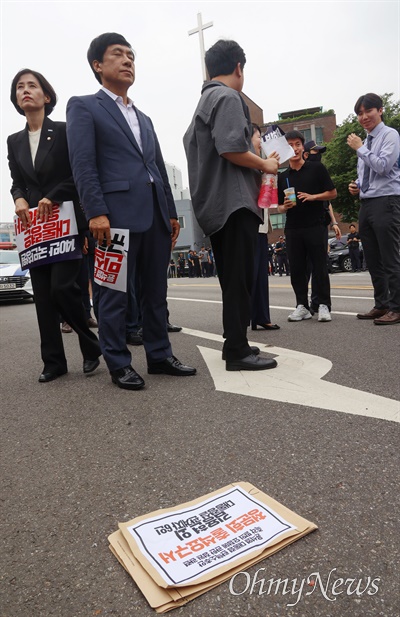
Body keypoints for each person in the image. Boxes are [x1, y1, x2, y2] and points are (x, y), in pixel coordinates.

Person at [66, 33, 196, 389]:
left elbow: (154, 168)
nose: (127, 61)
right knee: (112, 293)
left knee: (156, 291)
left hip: (154, 216)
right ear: (97, 65)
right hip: (112, 218)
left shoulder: (145, 118)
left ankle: (159, 354)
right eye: (118, 54)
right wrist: (95, 212)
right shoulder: (84, 106)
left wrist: (170, 213)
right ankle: (118, 363)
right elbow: (83, 163)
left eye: (131, 56)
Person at [184, 39, 279, 370]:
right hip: (233, 202)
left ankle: (235, 344)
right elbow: (230, 148)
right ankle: (237, 351)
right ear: (239, 67)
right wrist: (265, 165)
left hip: (215, 204)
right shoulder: (227, 97)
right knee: (239, 279)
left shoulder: (204, 100)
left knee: (233, 279)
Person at [7, 69, 101, 383]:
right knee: (43, 297)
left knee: (63, 288)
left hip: (63, 222)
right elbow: (17, 182)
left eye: (32, 85)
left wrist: (52, 195)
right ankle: (54, 362)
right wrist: (19, 198)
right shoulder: (14, 141)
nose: (25, 90)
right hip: (33, 230)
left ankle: (90, 347)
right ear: (16, 98)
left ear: (46, 96)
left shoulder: (62, 131)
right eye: (20, 87)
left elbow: (78, 175)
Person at [347, 93, 400, 325]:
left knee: (390, 257)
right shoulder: (366, 142)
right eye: (359, 113)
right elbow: (366, 174)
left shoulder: (390, 135)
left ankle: (397, 307)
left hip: (387, 201)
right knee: (372, 258)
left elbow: (383, 166)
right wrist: (356, 186)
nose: (364, 117)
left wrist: (360, 149)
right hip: (366, 204)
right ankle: (382, 304)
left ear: (380, 110)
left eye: (368, 111)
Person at [277, 130, 337, 322]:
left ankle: (324, 306)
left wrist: (313, 197)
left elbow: (332, 193)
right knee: (296, 268)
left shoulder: (316, 168)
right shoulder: (283, 176)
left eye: (297, 144)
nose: (294, 149)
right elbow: (278, 206)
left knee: (319, 266)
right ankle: (301, 305)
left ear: (303, 147)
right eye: (289, 146)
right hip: (293, 227)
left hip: (315, 225)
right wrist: (283, 207)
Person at [250, 125, 280, 332]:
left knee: (260, 274)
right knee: (248, 274)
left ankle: (261, 316)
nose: (261, 140)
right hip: (247, 223)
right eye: (258, 137)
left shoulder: (260, 161)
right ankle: (245, 317)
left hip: (260, 225)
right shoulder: (245, 160)